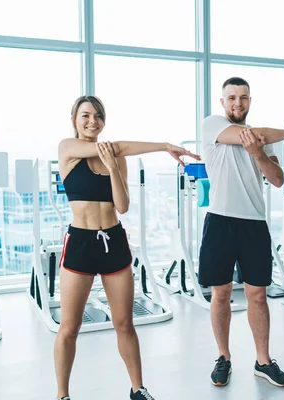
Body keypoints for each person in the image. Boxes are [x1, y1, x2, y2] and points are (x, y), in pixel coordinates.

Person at [55, 95, 200, 400]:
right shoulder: (67, 148)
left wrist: (113, 167)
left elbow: (122, 206)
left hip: (113, 241)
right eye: (85, 115)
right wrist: (164, 145)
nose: (92, 121)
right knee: (69, 326)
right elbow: (117, 146)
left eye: (98, 115)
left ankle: (138, 388)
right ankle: (62, 395)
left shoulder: (115, 157)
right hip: (80, 242)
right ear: (73, 120)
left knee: (124, 323)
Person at [199, 77, 284, 388]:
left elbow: (277, 179)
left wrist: (260, 155)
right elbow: (255, 135)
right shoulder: (212, 125)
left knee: (258, 295)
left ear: (250, 101)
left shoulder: (268, 139)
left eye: (243, 97)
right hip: (220, 220)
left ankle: (263, 362)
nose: (237, 103)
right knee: (221, 294)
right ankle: (223, 357)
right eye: (232, 98)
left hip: (254, 223)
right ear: (222, 102)